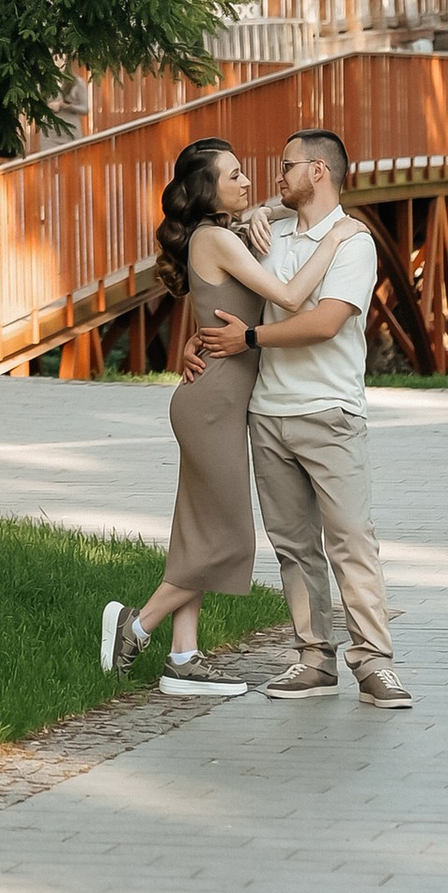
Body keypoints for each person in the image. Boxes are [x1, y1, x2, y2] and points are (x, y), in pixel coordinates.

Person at [99, 137, 355, 700]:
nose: (247, 182)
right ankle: (136, 626)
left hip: (212, 399)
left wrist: (264, 208)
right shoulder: (215, 237)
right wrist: (336, 236)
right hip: (211, 404)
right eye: (234, 176)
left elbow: (282, 209)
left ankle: (183, 660)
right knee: (231, 538)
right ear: (207, 190)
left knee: (198, 532)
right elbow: (289, 296)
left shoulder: (225, 231)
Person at [185, 124, 411, 711]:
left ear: (318, 172)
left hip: (330, 412)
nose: (274, 175)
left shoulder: (353, 241)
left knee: (350, 540)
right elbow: (214, 279)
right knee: (293, 546)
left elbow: (324, 321)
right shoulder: (270, 229)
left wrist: (251, 338)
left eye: (286, 166)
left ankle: (375, 662)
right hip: (268, 415)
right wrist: (197, 340)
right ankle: (314, 658)